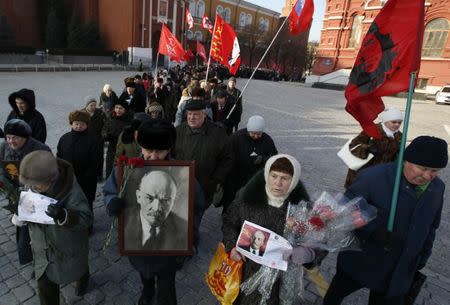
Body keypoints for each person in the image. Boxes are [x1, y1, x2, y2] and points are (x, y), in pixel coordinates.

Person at [323, 136, 448, 305]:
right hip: (364, 258)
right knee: (336, 294)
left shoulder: (437, 187)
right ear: (406, 160)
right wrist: (373, 230)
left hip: (400, 266)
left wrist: (422, 256)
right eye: (422, 168)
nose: (427, 176)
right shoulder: (373, 178)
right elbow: (346, 210)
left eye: (434, 171)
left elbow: (431, 226)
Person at [104, 119, 205, 305]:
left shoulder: (182, 174)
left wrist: (189, 233)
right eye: (148, 150)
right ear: (140, 146)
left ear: (168, 149)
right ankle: (147, 289)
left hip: (170, 248)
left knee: (167, 284)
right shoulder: (126, 170)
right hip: (139, 245)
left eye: (159, 151)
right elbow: (110, 190)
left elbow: (196, 205)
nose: (153, 156)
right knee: (145, 273)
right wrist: (112, 203)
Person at [223, 154, 325, 305]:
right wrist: (231, 247)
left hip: (278, 282)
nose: (278, 183)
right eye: (274, 176)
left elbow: (321, 242)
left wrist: (309, 254)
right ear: (267, 175)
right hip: (243, 271)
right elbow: (229, 222)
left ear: (294, 180)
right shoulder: (247, 197)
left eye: (285, 178)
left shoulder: (303, 207)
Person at [17, 151, 93, 303]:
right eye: (30, 185)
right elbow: (27, 197)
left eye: (36, 186)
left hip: (66, 245)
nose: (32, 188)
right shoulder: (34, 180)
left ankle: (83, 279)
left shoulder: (71, 189)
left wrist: (64, 215)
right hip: (41, 249)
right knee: (45, 285)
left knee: (78, 266)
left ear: (51, 179)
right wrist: (22, 213)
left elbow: (87, 218)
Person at [1, 119, 51, 266]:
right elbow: (1, 169)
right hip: (15, 194)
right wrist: (6, 186)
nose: (11, 141)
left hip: (36, 195)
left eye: (14, 138)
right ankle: (29, 257)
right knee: (22, 228)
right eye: (8, 137)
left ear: (25, 137)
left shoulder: (41, 149)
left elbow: (49, 173)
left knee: (37, 230)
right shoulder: (4, 147)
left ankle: (42, 258)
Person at [173, 99, 233, 210]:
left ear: (204, 114)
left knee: (196, 217)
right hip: (180, 187)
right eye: (189, 114)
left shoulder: (218, 133)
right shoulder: (178, 131)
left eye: (195, 114)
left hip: (204, 189)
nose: (191, 117)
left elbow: (227, 159)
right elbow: (170, 156)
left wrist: (215, 180)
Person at [221, 115, 278, 210]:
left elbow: (274, 158)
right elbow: (226, 155)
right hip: (234, 177)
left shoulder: (267, 140)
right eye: (253, 133)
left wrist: (263, 159)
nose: (255, 136)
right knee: (230, 202)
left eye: (258, 134)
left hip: (254, 179)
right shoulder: (236, 137)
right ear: (248, 130)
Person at [57, 110, 100, 224]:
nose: (79, 126)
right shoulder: (64, 139)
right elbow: (59, 157)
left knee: (86, 202)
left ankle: (88, 224)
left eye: (82, 124)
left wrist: (87, 177)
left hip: (86, 180)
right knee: (68, 201)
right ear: (72, 123)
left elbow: (96, 161)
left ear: (87, 124)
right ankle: (70, 222)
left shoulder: (93, 140)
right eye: (76, 123)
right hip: (68, 179)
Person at [344, 108, 403, 188]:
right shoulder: (373, 130)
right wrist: (368, 149)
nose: (397, 125)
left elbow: (397, 156)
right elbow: (353, 145)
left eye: (399, 122)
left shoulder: (399, 136)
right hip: (363, 172)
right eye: (394, 122)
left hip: (382, 175)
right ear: (386, 121)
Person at [102, 99, 133, 177]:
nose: (118, 110)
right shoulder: (110, 118)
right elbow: (104, 130)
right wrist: (106, 135)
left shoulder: (129, 121)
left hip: (124, 150)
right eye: (116, 107)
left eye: (120, 108)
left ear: (125, 109)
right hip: (112, 149)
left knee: (122, 172)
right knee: (110, 170)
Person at [83, 96, 107, 181]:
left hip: (98, 139)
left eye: (94, 105)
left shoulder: (100, 113)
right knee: (87, 157)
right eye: (91, 105)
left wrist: (103, 134)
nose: (93, 107)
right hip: (86, 140)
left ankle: (99, 175)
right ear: (87, 106)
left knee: (99, 157)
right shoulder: (82, 114)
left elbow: (105, 125)